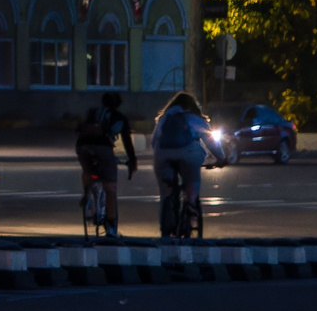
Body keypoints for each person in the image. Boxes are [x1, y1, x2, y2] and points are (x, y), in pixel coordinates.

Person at [150, 91, 218, 236]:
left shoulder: (164, 118)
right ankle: (191, 205)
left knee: (166, 192)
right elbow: (211, 143)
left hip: (163, 155)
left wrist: (160, 155)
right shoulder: (196, 119)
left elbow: (154, 141)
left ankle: (167, 224)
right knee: (192, 181)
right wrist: (222, 158)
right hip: (188, 154)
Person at [75, 90, 136, 234]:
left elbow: (81, 128)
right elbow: (127, 142)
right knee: (110, 187)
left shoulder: (92, 112)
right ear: (118, 104)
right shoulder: (119, 118)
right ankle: (111, 227)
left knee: (88, 170)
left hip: (82, 145)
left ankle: (87, 192)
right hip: (103, 147)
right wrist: (132, 160)